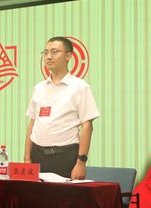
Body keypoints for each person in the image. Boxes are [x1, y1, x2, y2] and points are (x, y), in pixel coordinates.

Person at [24, 37, 100, 179]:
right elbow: (32, 124)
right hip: (37, 155)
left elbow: (87, 126)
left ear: (68, 56)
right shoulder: (39, 88)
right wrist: (27, 159)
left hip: (65, 156)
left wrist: (81, 162)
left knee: (63, 194)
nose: (48, 57)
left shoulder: (80, 87)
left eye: (54, 52)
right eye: (45, 53)